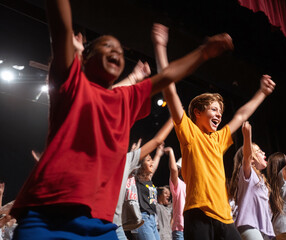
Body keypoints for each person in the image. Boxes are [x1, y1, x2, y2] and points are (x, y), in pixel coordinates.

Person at [10, 0, 234, 238]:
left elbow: (167, 76)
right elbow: (62, 28)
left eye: (119, 50)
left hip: (99, 225)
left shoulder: (125, 99)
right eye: (107, 45)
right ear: (85, 57)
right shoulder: (72, 83)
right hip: (46, 217)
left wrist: (204, 52)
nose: (116, 51)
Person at [152, 22, 275, 240]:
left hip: (225, 219)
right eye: (213, 110)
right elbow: (169, 88)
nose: (219, 115)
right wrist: (160, 47)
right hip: (197, 214)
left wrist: (261, 93)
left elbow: (241, 116)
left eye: (220, 111)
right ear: (197, 113)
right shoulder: (189, 132)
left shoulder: (219, 139)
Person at [115, 119, 174, 240]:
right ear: (141, 166)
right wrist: (134, 152)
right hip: (143, 218)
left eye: (151, 160)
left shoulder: (149, 179)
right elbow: (131, 164)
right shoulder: (137, 179)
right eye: (148, 161)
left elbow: (155, 163)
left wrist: (158, 153)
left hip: (152, 218)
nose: (151, 162)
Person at [228, 121, 274, 240]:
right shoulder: (248, 174)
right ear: (252, 160)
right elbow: (247, 156)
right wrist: (247, 136)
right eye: (259, 151)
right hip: (249, 227)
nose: (263, 153)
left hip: (260, 229)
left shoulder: (260, 179)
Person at [165, 146, 186, 240]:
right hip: (180, 230)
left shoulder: (193, 185)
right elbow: (173, 170)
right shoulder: (178, 184)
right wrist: (171, 152)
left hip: (192, 228)